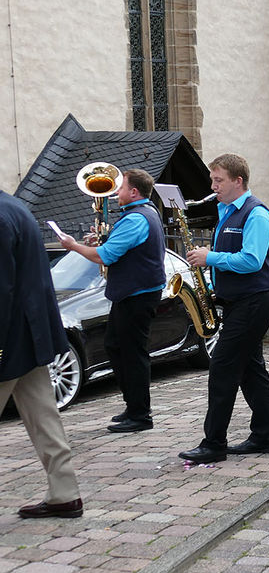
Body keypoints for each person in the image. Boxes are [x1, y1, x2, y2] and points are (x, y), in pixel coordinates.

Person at [179, 154, 269, 464]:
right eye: (212, 180)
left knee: (222, 367)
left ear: (238, 181)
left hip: (254, 300)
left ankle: (214, 444)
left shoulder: (256, 215)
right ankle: (264, 437)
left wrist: (210, 258)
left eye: (218, 180)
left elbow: (252, 260)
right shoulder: (226, 211)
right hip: (237, 301)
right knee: (251, 370)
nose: (212, 186)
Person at [59, 169, 166, 433]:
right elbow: (118, 247)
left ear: (134, 192)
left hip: (136, 295)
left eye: (120, 188)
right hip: (132, 293)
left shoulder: (136, 219)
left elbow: (104, 257)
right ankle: (133, 407)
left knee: (132, 353)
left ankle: (140, 414)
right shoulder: (144, 213)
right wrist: (100, 240)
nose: (116, 193)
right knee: (116, 347)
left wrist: (73, 246)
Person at [0, 190, 83, 518]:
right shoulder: (14, 207)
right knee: (44, 416)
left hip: (9, 336)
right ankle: (65, 492)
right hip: (31, 333)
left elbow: (1, 290)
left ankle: (65, 493)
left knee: (44, 415)